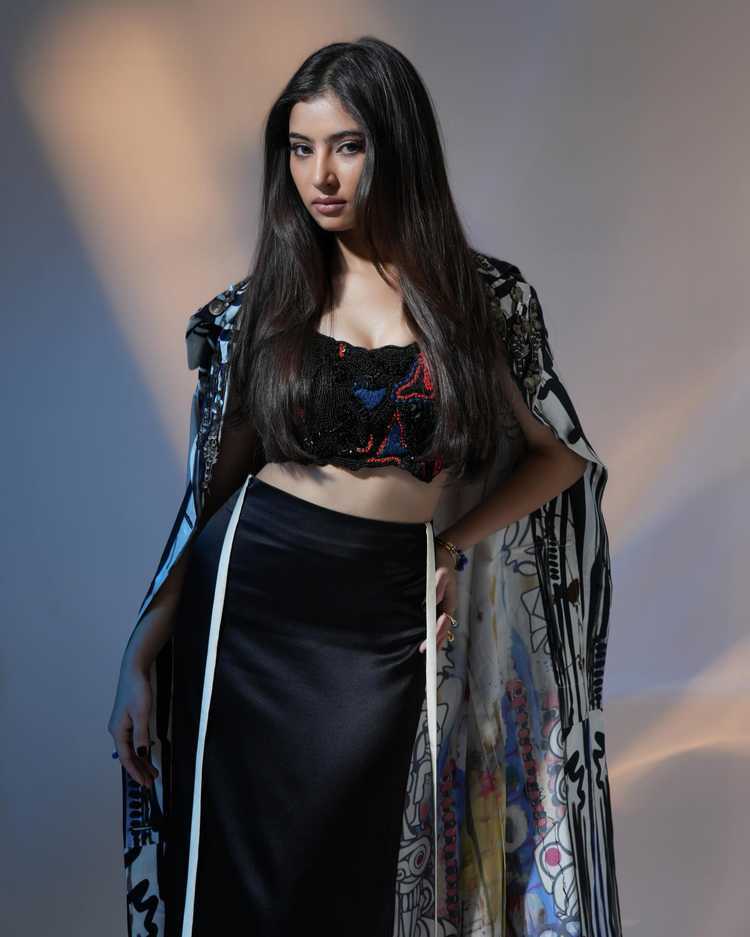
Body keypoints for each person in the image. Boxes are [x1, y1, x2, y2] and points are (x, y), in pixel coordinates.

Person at [108, 36, 623, 937]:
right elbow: (211, 493)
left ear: (397, 144)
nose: (321, 176)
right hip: (249, 608)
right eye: (300, 149)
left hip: (387, 611)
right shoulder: (265, 304)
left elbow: (559, 455)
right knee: (237, 888)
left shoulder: (483, 300)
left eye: (346, 146)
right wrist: (140, 651)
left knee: (361, 876)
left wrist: (452, 545)